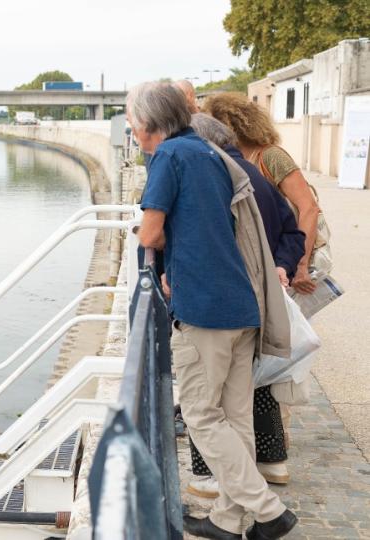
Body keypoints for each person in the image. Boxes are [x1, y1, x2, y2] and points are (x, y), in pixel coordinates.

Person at [130, 81, 296, 539]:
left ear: (147, 124)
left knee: (202, 415)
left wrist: (166, 252)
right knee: (235, 417)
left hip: (204, 310)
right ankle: (228, 520)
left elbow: (149, 233)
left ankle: (268, 511)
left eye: (131, 119)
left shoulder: (168, 156)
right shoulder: (210, 152)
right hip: (242, 303)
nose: (130, 127)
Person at [185, 113, 306, 498]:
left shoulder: (212, 177)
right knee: (258, 386)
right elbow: (293, 229)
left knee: (210, 400)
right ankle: (272, 463)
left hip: (228, 299)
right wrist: (283, 268)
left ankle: (216, 479)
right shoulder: (256, 177)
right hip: (262, 297)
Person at [201, 92, 323, 295]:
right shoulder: (235, 158)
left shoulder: (272, 156)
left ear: (228, 125)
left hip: (287, 260)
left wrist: (301, 266)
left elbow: (309, 208)